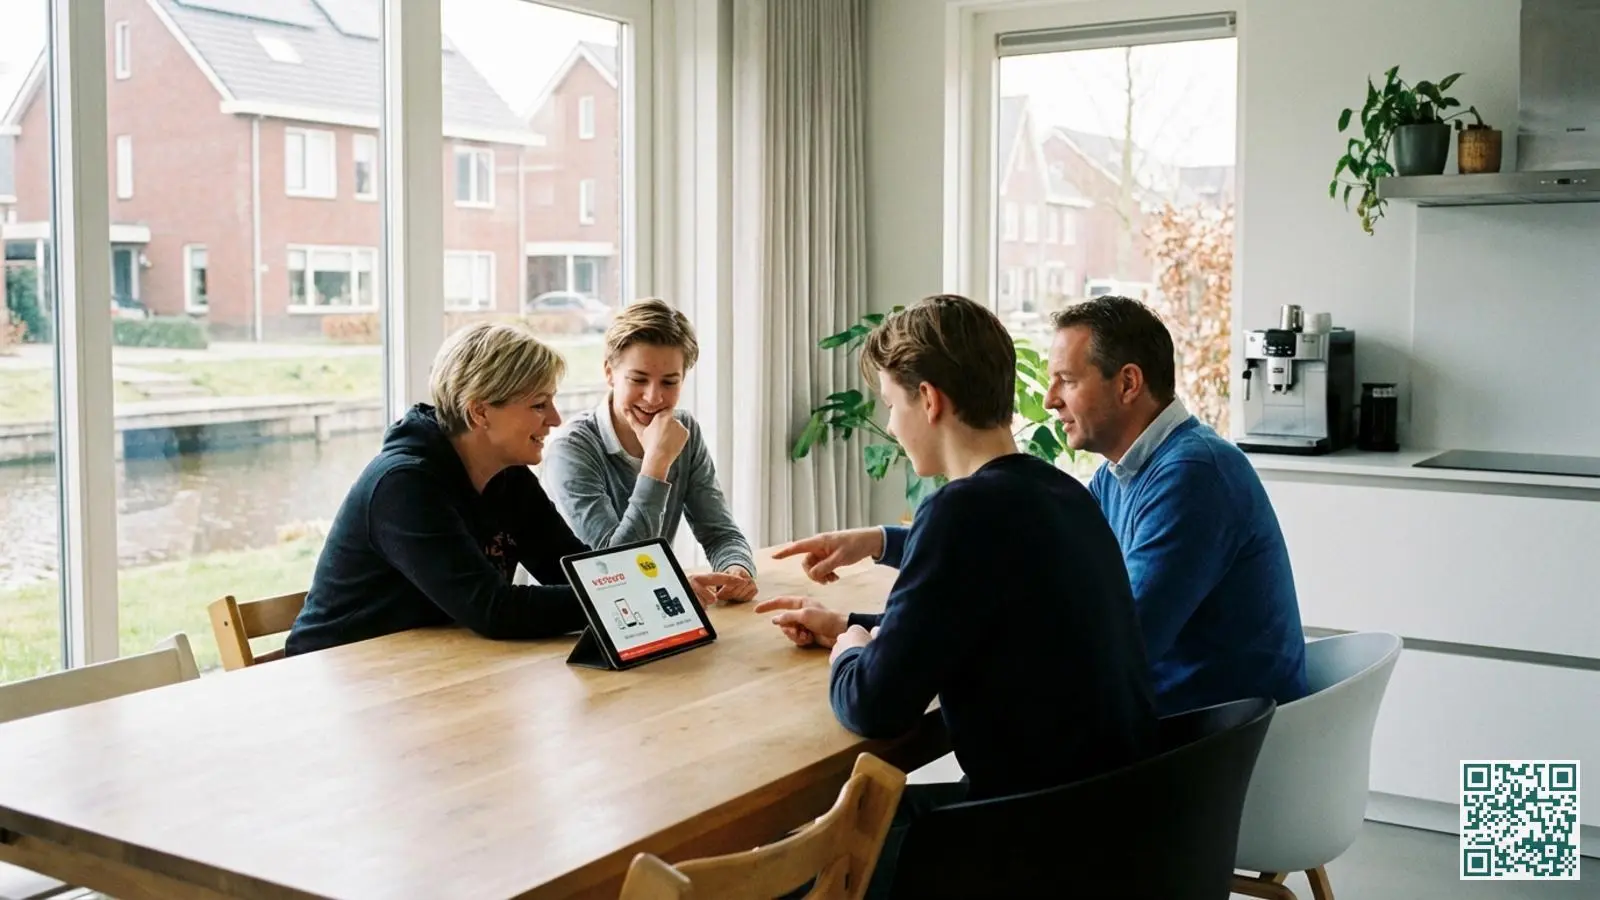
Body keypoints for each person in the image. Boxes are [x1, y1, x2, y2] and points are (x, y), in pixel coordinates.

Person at [754, 294, 1157, 897]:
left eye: (891, 404)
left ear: (929, 399)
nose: (891, 425)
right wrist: (850, 625)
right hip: (1112, 829)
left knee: (786, 870)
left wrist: (849, 651)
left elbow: (874, 706)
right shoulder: (1064, 494)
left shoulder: (961, 511)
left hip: (1027, 850)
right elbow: (978, 624)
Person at [285, 321, 740, 656]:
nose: (555, 419)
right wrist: (637, 593)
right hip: (336, 681)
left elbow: (573, 571)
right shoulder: (404, 485)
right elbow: (494, 610)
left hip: (430, 669)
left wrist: (658, 585)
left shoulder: (509, 477)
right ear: (480, 412)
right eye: (539, 405)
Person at [1043, 295, 1309, 716]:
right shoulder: (1118, 475)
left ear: (1128, 383)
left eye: (1066, 380)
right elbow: (1050, 565)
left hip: (1222, 738)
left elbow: (1124, 644)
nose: (1050, 399)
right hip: (1175, 720)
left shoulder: (1194, 474)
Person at [542, 299, 758, 605]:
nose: (653, 397)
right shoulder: (571, 449)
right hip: (574, 616)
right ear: (609, 373)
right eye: (638, 379)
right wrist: (656, 463)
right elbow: (616, 568)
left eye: (669, 382)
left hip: (645, 612)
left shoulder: (684, 430)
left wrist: (736, 570)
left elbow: (721, 533)